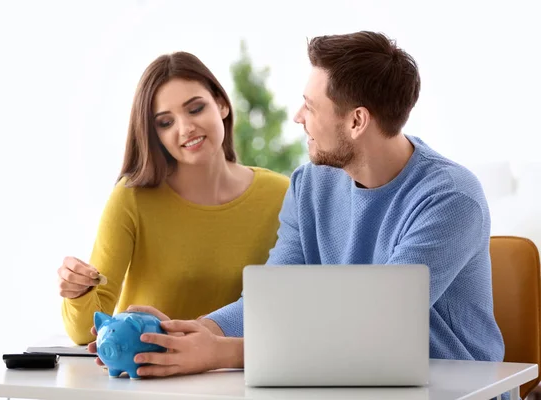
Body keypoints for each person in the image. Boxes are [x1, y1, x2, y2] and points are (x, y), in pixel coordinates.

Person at [113, 31, 505, 378]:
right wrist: (196, 333)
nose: (298, 117)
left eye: (310, 106)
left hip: (451, 388)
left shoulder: (450, 199)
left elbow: (372, 329)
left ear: (356, 122)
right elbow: (272, 299)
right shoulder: (309, 185)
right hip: (345, 385)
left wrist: (223, 353)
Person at [57, 51, 290, 345]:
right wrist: (77, 291)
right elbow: (85, 332)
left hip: (239, 380)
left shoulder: (281, 195)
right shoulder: (133, 198)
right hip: (148, 378)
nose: (185, 128)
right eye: (165, 123)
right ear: (154, 135)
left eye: (195, 109)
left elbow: (288, 309)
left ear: (221, 104)